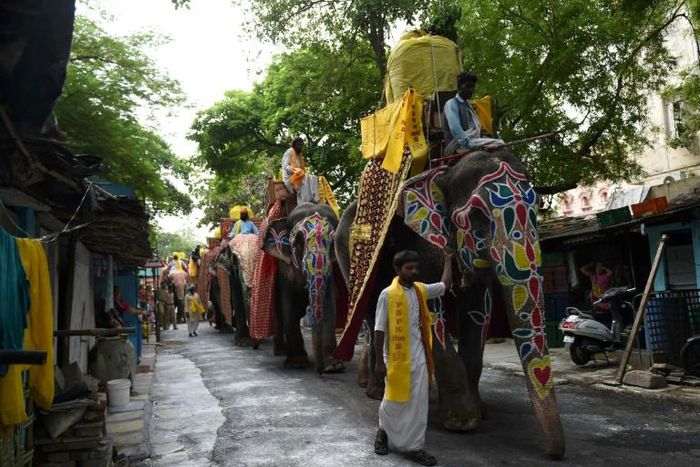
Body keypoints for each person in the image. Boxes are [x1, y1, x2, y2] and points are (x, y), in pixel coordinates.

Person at [373, 250, 453, 466]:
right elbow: (379, 330)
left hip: (419, 357)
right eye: (409, 268)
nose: (414, 271)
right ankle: (383, 432)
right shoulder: (387, 295)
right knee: (392, 401)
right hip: (396, 358)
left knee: (419, 404)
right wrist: (380, 362)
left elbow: (445, 285)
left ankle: (416, 447)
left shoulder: (420, 290)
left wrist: (448, 260)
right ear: (398, 270)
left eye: (416, 267)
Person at [443, 72, 506, 154]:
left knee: (499, 144)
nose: (471, 90)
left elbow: (476, 129)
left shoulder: (470, 107)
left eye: (473, 87)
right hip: (457, 145)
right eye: (468, 87)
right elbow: (455, 128)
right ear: (459, 87)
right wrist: (469, 143)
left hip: (474, 141)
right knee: (500, 143)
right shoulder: (451, 103)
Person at [281, 137, 320, 204]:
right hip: (290, 177)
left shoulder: (299, 156)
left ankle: (315, 199)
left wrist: (299, 172)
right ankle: (304, 202)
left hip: (299, 175)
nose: (300, 147)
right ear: (294, 145)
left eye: (301, 145)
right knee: (305, 180)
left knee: (313, 178)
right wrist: (294, 170)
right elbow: (285, 166)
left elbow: (302, 170)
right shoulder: (289, 151)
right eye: (298, 145)